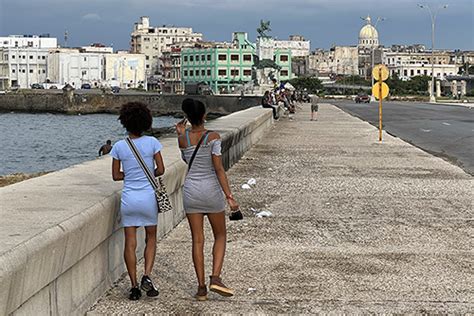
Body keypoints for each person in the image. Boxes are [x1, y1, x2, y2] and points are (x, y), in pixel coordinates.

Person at [175, 98, 239, 301]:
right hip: (210, 190)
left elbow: (187, 161)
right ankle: (216, 278)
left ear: (188, 117)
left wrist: (180, 133)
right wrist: (230, 197)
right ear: (204, 116)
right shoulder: (213, 137)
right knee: (220, 235)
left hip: (191, 191)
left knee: (197, 240)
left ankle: (201, 288)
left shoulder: (182, 138)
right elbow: (218, 169)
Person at [110, 102, 165, 301]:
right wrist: (146, 173)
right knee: (150, 238)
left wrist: (131, 174)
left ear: (124, 122)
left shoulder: (119, 146)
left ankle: (133, 286)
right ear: (146, 121)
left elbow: (116, 175)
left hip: (129, 199)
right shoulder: (152, 143)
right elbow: (161, 170)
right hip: (149, 198)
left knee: (130, 243)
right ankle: (147, 276)